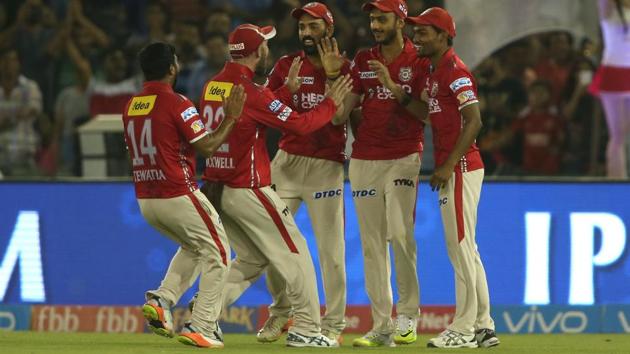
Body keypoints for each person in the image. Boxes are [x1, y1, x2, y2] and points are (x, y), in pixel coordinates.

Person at [198, 23, 353, 348]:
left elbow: (253, 115)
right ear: (257, 52)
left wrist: (285, 93)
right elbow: (299, 124)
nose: (269, 49)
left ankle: (202, 317)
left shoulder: (213, 85)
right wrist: (328, 103)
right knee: (295, 253)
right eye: (265, 45)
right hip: (248, 187)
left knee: (253, 258)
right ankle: (308, 330)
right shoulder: (250, 91)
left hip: (217, 187)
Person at [122, 42, 246, 349]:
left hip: (146, 199)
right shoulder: (177, 102)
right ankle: (202, 325)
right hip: (177, 191)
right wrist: (231, 117)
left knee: (195, 246)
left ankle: (162, 301)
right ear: (172, 68)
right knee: (218, 252)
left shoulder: (132, 106)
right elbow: (206, 147)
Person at [252, 2, 350, 343]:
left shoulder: (344, 67)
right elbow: (268, 106)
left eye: (313, 27)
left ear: (329, 29)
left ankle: (333, 324)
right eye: (302, 28)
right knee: (272, 245)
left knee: (331, 251)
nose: (306, 33)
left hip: (326, 166)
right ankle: (282, 312)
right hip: (288, 161)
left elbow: (338, 119)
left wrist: (333, 75)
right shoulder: (285, 65)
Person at [406, 7, 500, 348]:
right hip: (458, 167)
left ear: (445, 35)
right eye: (416, 30)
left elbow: (474, 120)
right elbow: (429, 117)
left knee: (460, 248)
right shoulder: (433, 73)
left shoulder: (455, 72)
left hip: (459, 169)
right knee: (466, 249)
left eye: (425, 31)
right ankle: (483, 326)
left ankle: (461, 330)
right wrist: (397, 92)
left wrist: (447, 165)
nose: (417, 36)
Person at [340, 0, 426, 347]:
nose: (375, 24)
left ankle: (408, 316)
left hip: (404, 156)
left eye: (382, 18)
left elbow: (424, 112)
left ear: (400, 20)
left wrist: (392, 86)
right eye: (373, 19)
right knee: (372, 245)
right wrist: (335, 81)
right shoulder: (362, 59)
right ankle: (381, 325)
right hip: (364, 160)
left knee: (401, 235)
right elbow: (350, 108)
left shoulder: (418, 60)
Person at [597, 0, 630, 178]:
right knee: (617, 134)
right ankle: (617, 180)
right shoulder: (608, 8)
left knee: (626, 133)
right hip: (614, 74)